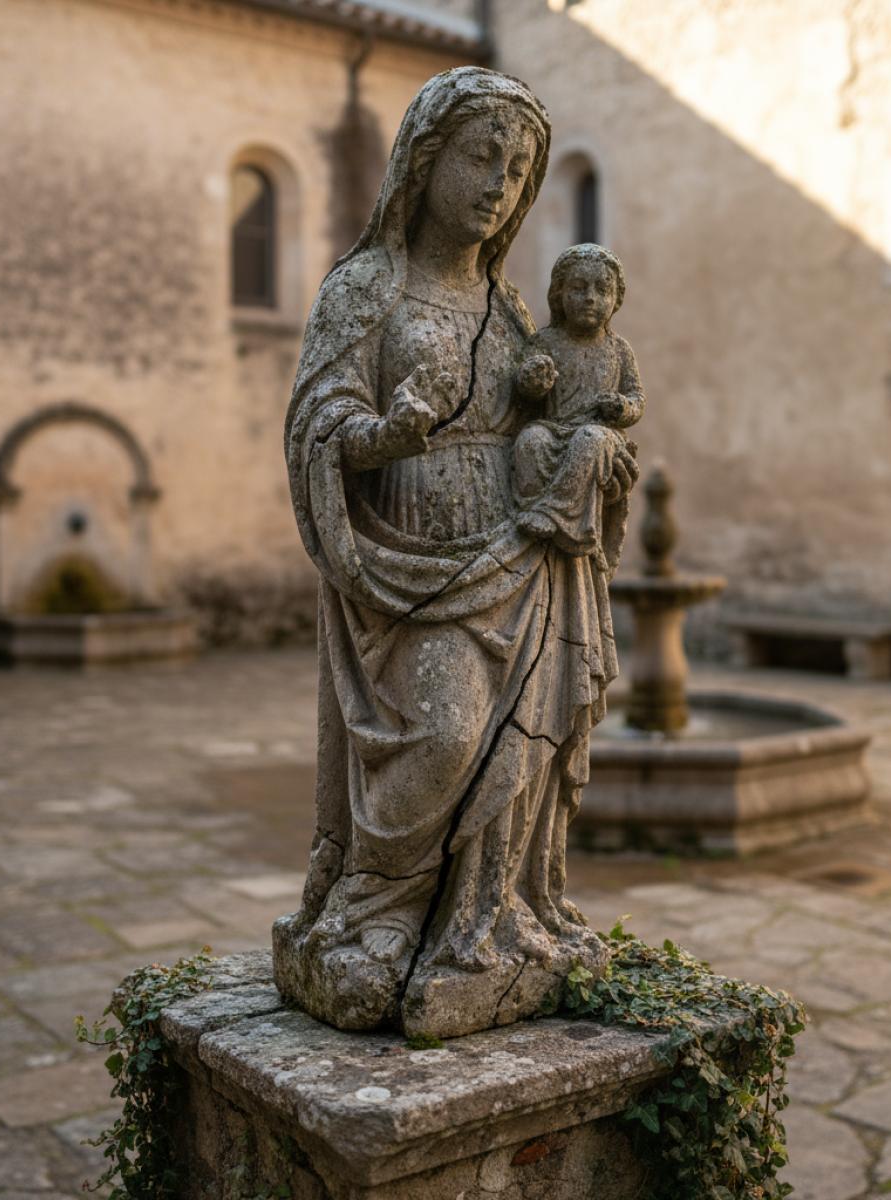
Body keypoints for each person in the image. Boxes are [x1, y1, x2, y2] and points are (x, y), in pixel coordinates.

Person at [276, 67, 639, 1036]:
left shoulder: (515, 309)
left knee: (511, 751)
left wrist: (591, 449)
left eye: (519, 171)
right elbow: (317, 419)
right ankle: (372, 909)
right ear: (427, 159)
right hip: (400, 568)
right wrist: (385, 434)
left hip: (515, 559)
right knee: (442, 736)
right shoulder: (366, 289)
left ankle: (485, 916)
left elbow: (551, 414)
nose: (499, 185)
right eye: (483, 157)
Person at [513, 243, 645, 563]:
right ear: (559, 294)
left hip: (600, 434)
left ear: (616, 299)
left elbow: (636, 398)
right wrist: (533, 383)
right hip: (554, 428)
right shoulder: (544, 341)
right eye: (578, 287)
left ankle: (558, 516)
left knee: (590, 438)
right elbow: (524, 388)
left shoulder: (619, 349)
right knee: (530, 441)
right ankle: (533, 515)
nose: (590, 297)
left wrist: (622, 407)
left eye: (602, 289)